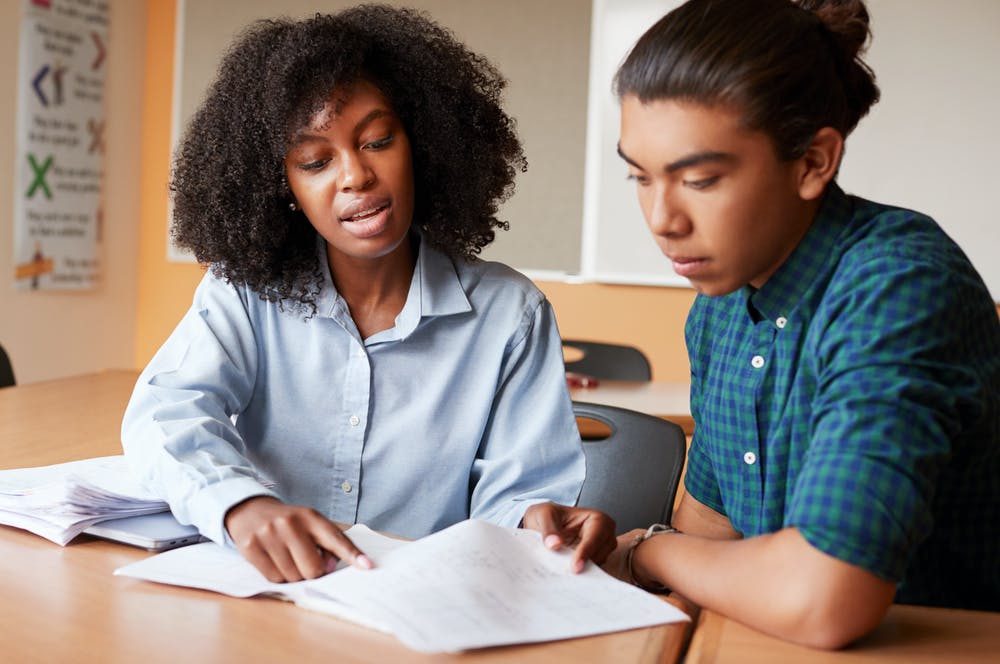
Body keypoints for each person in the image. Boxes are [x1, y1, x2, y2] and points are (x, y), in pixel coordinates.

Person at [121, 5, 614, 584]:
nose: (355, 176)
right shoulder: (244, 293)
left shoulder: (509, 314)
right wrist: (238, 504)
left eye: (377, 140)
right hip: (268, 598)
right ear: (284, 186)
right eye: (315, 161)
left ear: (423, 145)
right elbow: (166, 412)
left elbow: (517, 499)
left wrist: (537, 522)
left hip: (423, 609)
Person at [603, 0, 1000, 649]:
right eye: (639, 177)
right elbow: (710, 532)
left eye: (699, 179)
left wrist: (646, 551)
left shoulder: (899, 287)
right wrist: (633, 553)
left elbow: (825, 598)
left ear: (815, 161)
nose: (661, 218)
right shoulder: (718, 307)